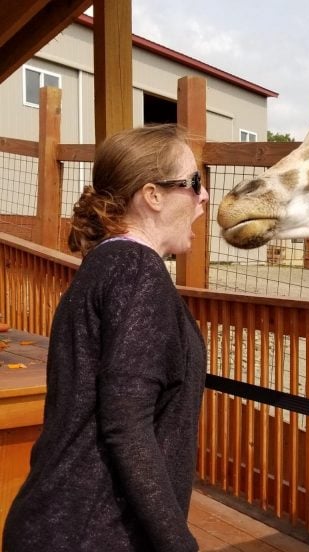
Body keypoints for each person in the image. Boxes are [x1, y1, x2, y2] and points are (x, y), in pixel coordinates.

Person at [3, 124, 209, 551]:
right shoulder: (136, 272)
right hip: (90, 533)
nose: (203, 197)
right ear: (152, 196)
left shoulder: (106, 265)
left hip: (60, 524)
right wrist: (178, 544)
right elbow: (127, 426)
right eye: (194, 183)